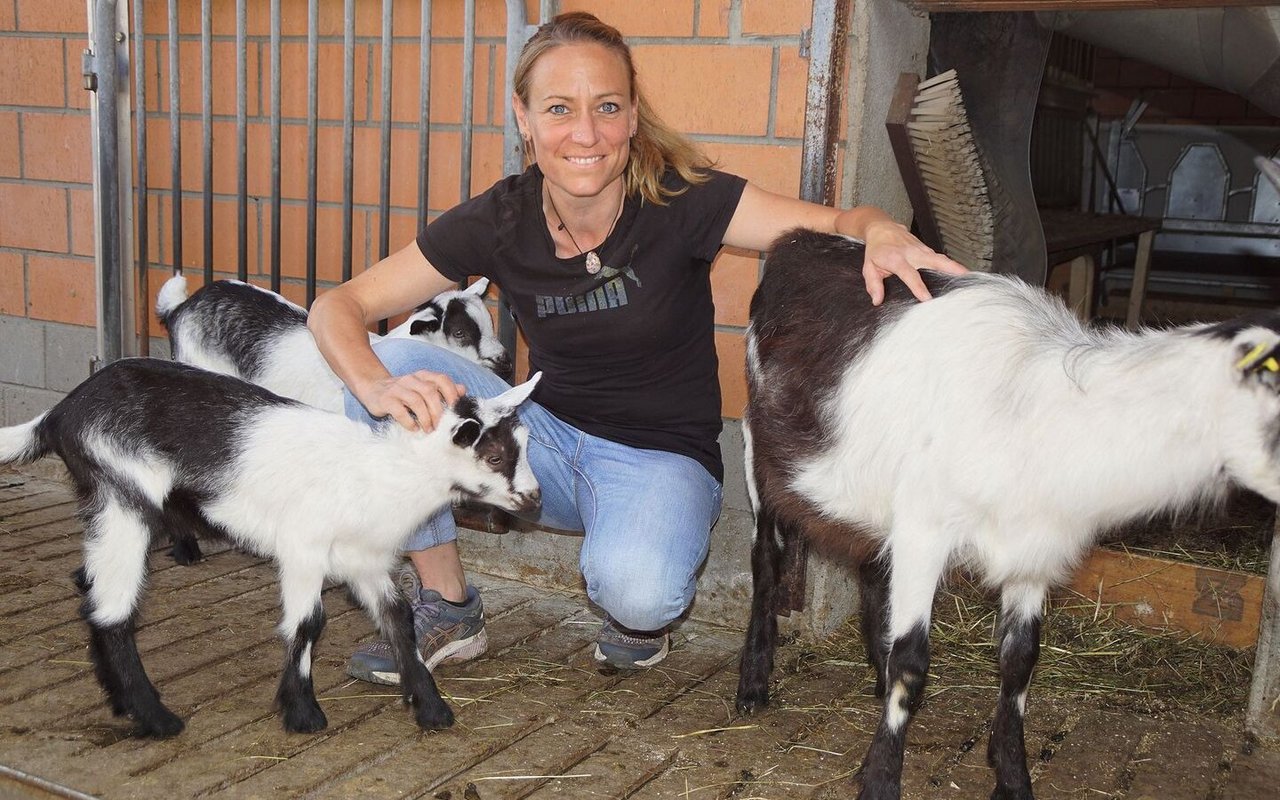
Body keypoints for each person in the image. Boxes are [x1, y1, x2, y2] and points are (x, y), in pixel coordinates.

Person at [308, 11, 966, 683]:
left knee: (640, 593)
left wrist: (881, 229)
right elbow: (339, 306)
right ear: (524, 117)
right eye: (559, 109)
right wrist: (374, 387)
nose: (585, 134)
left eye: (607, 107)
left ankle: (639, 603)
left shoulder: (681, 200)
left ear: (631, 115)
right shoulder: (500, 219)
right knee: (390, 365)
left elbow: (835, 222)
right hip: (544, 443)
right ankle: (448, 606)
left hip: (659, 458)